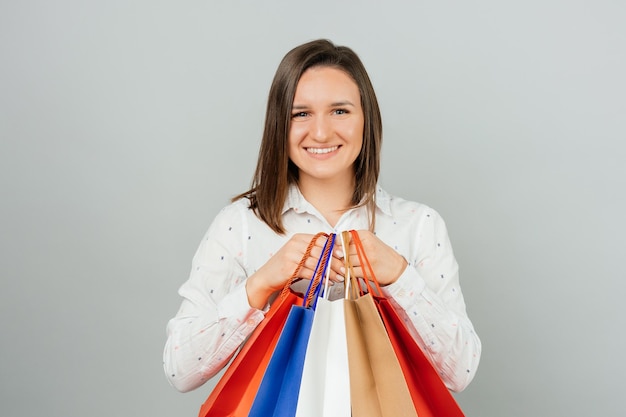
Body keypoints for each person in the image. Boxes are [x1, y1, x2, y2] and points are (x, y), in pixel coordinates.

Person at [163, 38, 481, 395]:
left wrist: (399, 277)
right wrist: (263, 282)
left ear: (367, 119)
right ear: (278, 124)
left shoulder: (419, 225)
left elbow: (461, 371)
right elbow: (180, 370)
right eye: (301, 113)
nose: (320, 132)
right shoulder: (240, 225)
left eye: (340, 111)